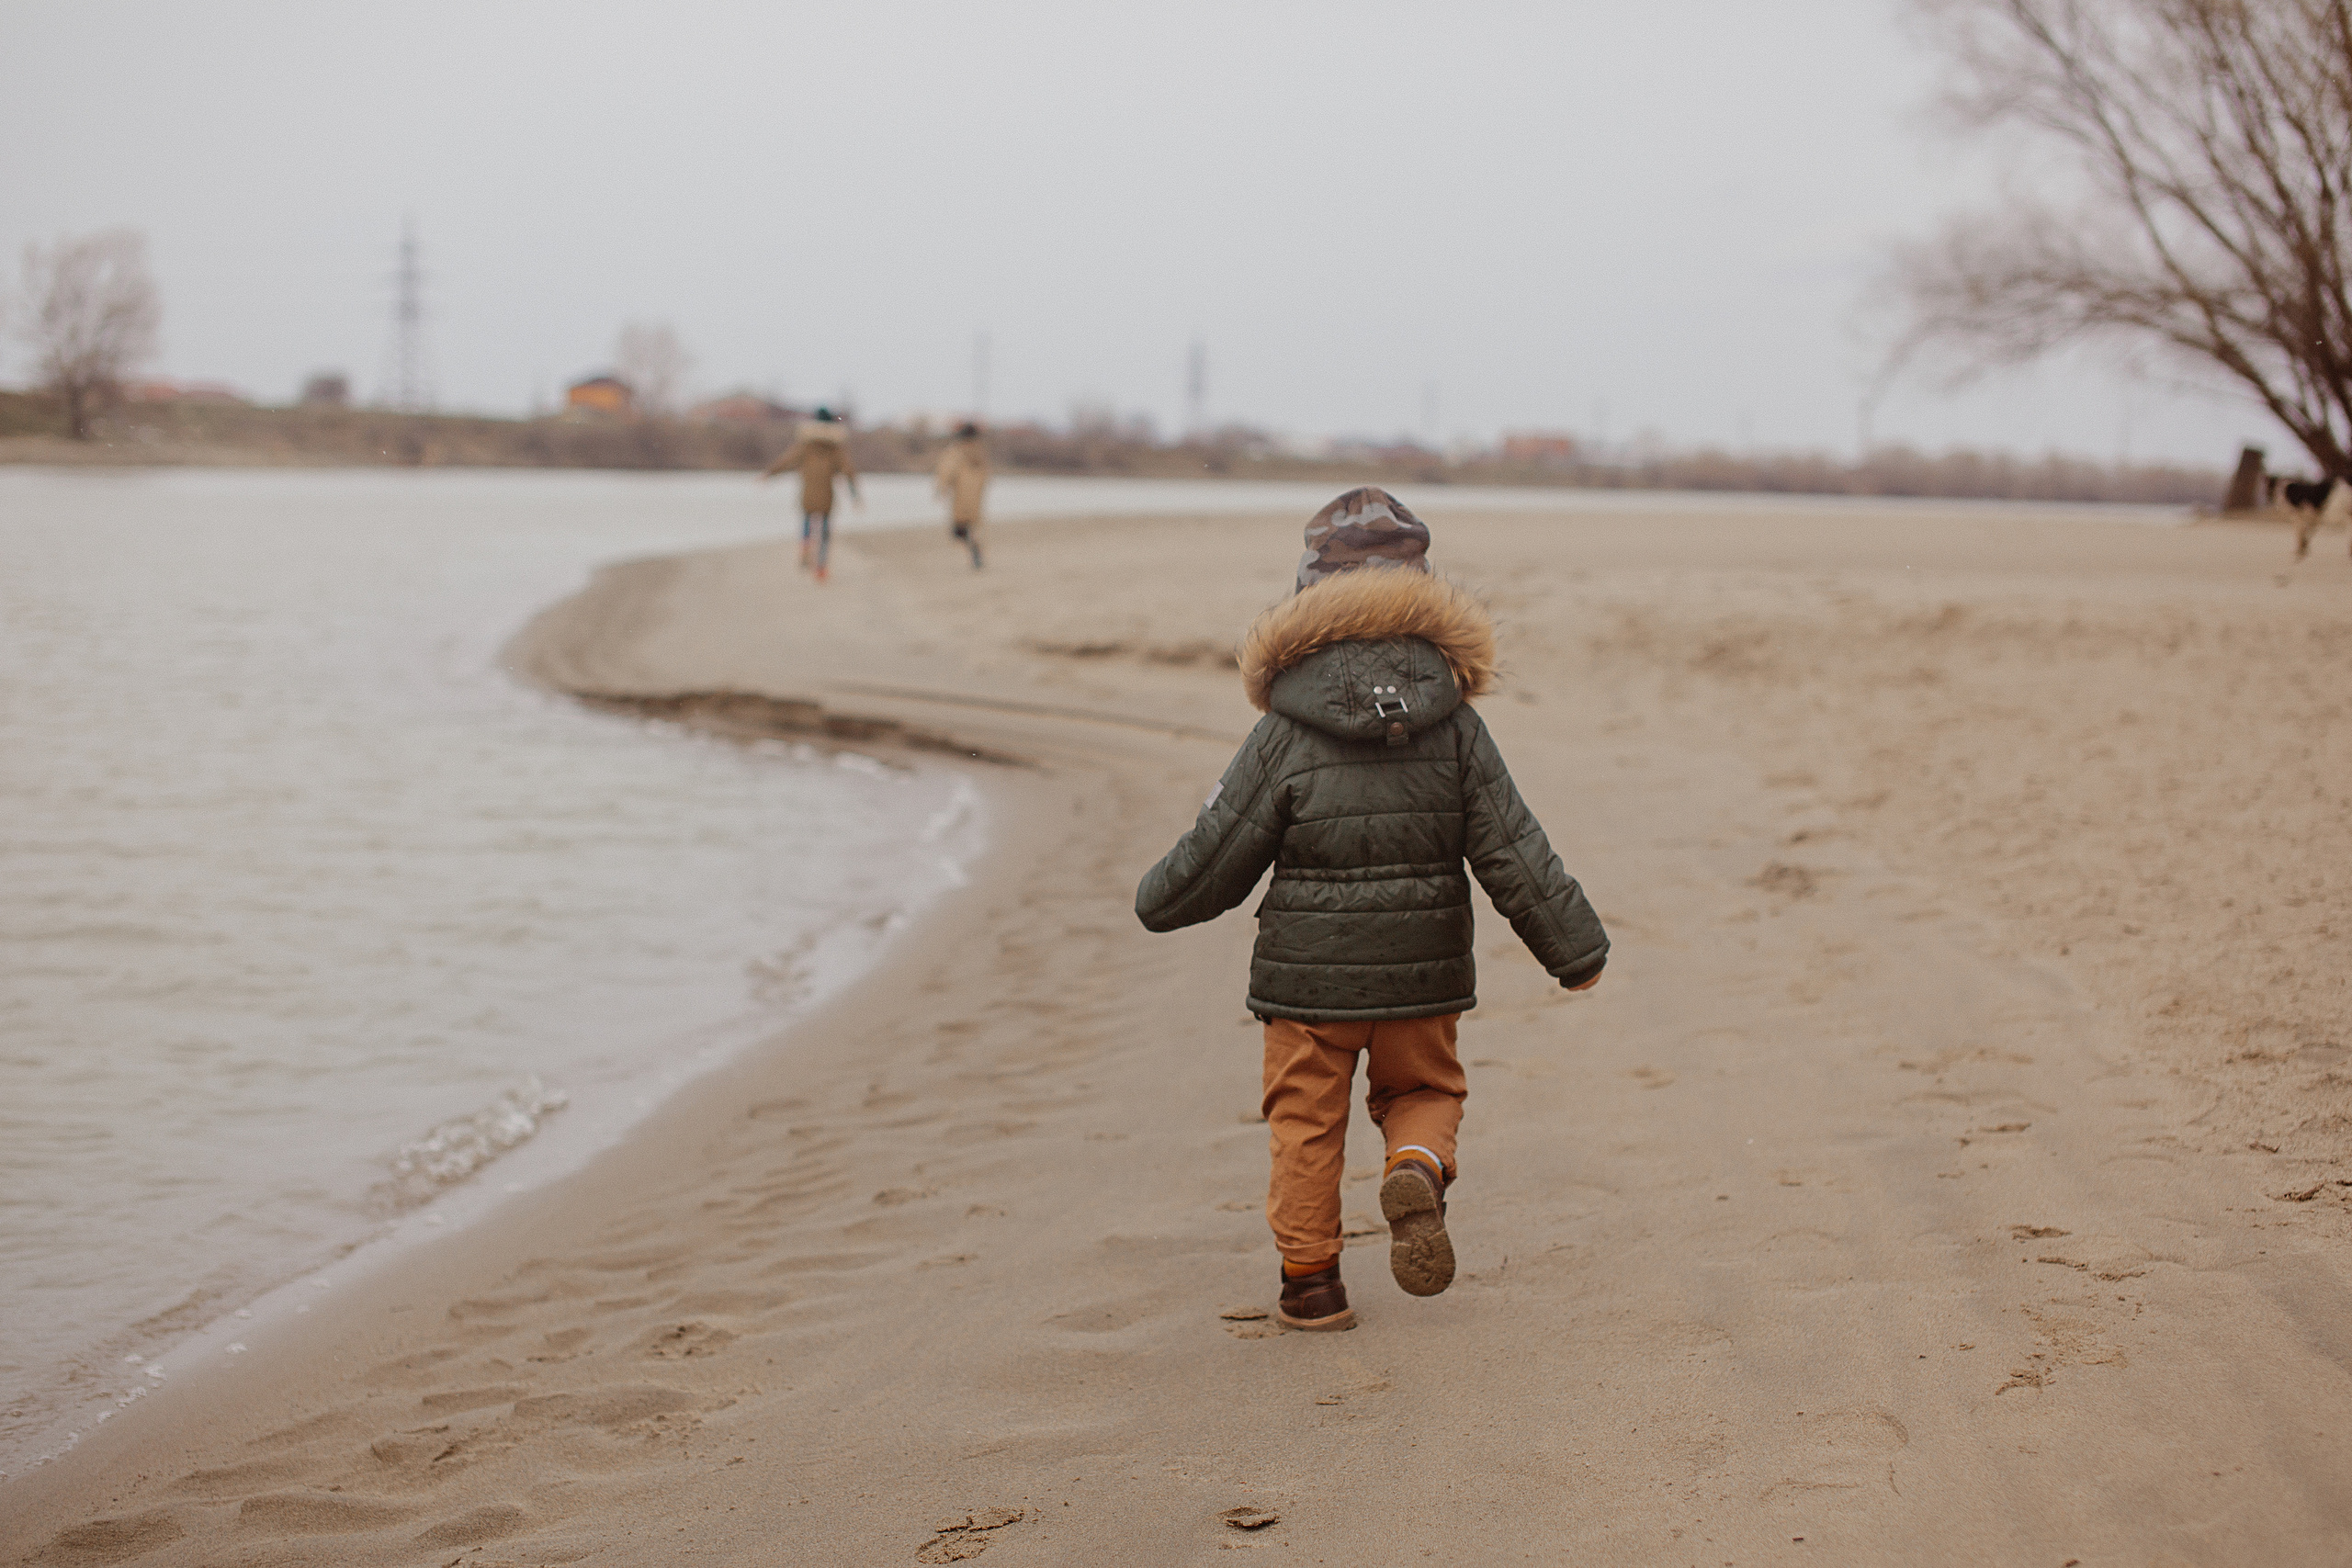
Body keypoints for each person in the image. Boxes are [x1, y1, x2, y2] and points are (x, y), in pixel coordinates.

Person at [1134, 488, 1609, 1332]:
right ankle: (1418, 1168)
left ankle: (1311, 1284)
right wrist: (1575, 950)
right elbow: (1513, 848)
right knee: (1422, 1087)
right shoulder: (1455, 724)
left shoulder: (1285, 729)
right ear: (1424, 591)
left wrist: (1158, 899)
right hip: (1422, 973)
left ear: (1308, 594)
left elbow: (1219, 851)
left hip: (1306, 984)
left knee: (1305, 1122)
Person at [761, 407, 861, 583]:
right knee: (824, 532)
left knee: (807, 520)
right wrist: (854, 495)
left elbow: (786, 461)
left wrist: (769, 474)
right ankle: (821, 568)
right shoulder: (835, 449)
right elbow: (848, 471)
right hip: (826, 495)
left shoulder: (805, 446)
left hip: (808, 493)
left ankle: (806, 543)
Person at [934, 421, 989, 569]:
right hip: (975, 496)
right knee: (967, 526)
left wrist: (941, 488)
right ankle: (975, 551)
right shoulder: (979, 452)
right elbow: (986, 476)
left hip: (961, 495)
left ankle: (974, 550)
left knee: (958, 530)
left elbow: (947, 470)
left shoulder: (956, 451)